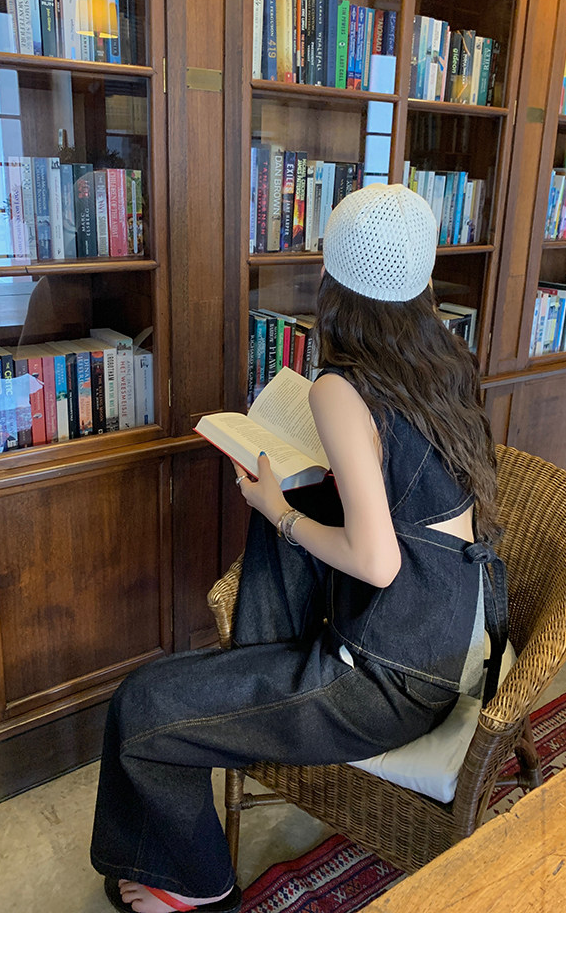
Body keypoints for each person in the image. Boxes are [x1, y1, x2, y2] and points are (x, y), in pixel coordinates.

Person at [90, 183, 506, 914]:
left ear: (330, 277)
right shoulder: (444, 358)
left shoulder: (342, 388)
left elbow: (377, 561)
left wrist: (279, 513)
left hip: (388, 681)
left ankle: (200, 887)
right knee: (299, 494)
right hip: (450, 636)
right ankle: (257, 679)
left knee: (143, 705)